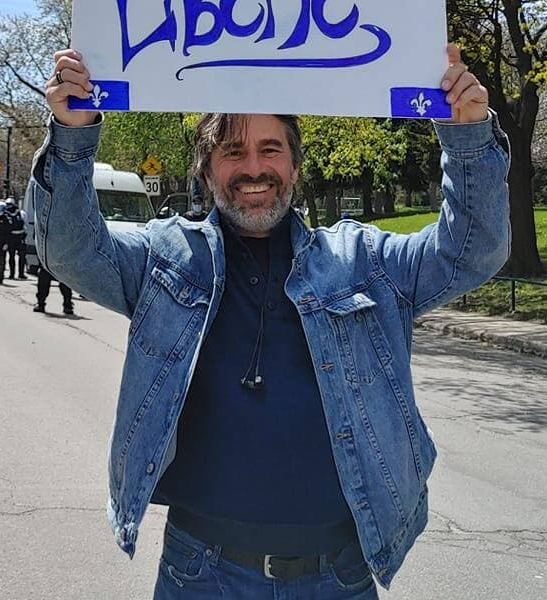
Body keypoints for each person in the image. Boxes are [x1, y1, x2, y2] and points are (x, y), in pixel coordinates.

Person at [30, 45, 508, 599]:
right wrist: (70, 134)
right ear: (207, 172)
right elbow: (69, 250)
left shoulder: (364, 261)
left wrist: (468, 137)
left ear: (295, 167)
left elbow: (472, 251)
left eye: (270, 149)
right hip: (201, 574)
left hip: (340, 575)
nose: (253, 167)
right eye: (232, 151)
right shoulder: (164, 257)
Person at [5, 197, 28, 279]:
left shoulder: (6, 213)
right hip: (19, 237)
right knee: (21, 256)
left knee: (12, 256)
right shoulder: (21, 213)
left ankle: (12, 274)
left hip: (12, 237)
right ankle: (20, 273)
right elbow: (25, 224)